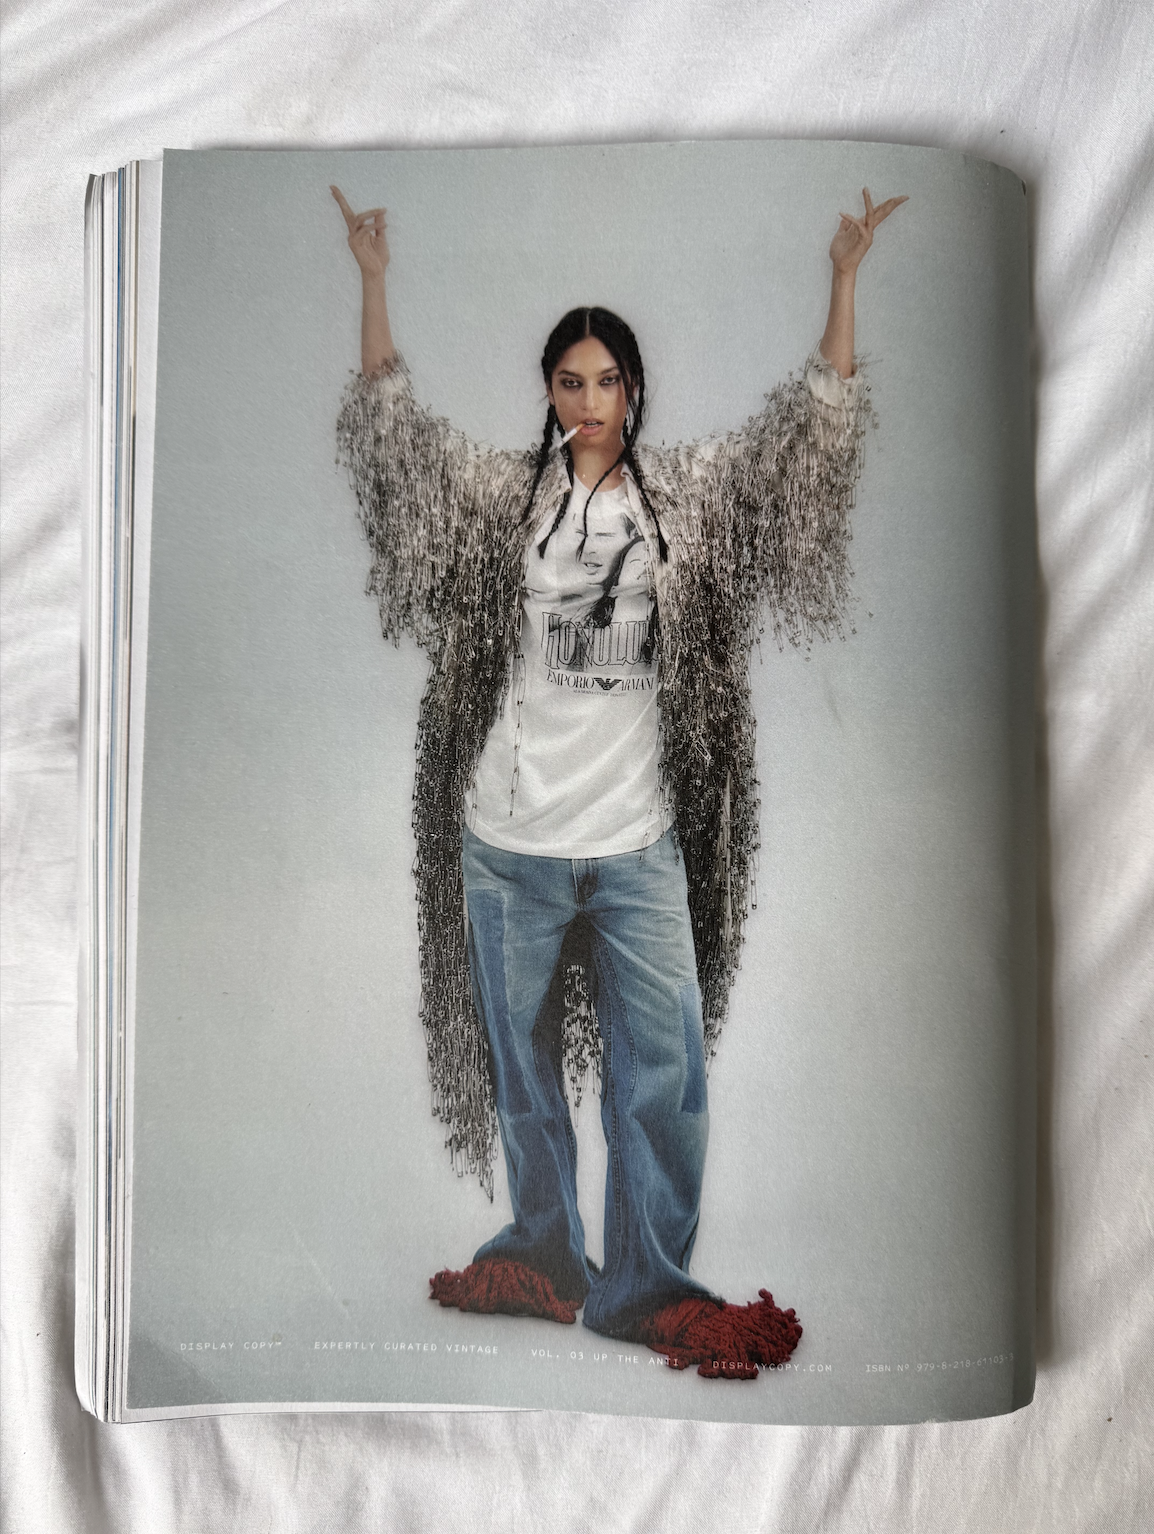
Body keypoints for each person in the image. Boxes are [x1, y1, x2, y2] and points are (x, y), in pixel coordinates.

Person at [333, 181, 905, 1379]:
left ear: (632, 391)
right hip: (507, 841)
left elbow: (792, 451)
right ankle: (543, 1251)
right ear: (548, 392)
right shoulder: (505, 503)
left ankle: (648, 1283)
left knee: (665, 1071)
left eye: (607, 381)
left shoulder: (682, 503)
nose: (589, 402)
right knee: (520, 1066)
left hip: (637, 842)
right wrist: (373, 283)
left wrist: (843, 282)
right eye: (568, 381)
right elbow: (398, 444)